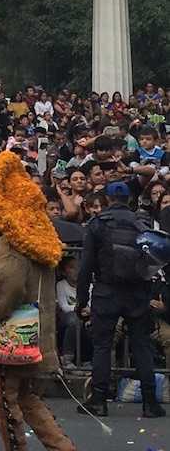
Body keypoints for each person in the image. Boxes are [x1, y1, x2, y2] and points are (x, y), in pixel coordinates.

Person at [0, 151, 81, 451]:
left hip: (9, 336)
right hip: (35, 333)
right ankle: (62, 449)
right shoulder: (39, 237)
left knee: (1, 397)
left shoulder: (12, 244)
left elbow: (6, 287)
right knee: (25, 395)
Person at [77, 177, 166, 416]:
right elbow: (152, 262)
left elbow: (85, 266)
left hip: (106, 291)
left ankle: (98, 399)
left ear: (107, 199)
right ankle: (150, 402)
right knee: (142, 346)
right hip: (137, 292)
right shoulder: (141, 224)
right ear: (129, 199)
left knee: (102, 345)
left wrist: (81, 299)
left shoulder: (98, 224)